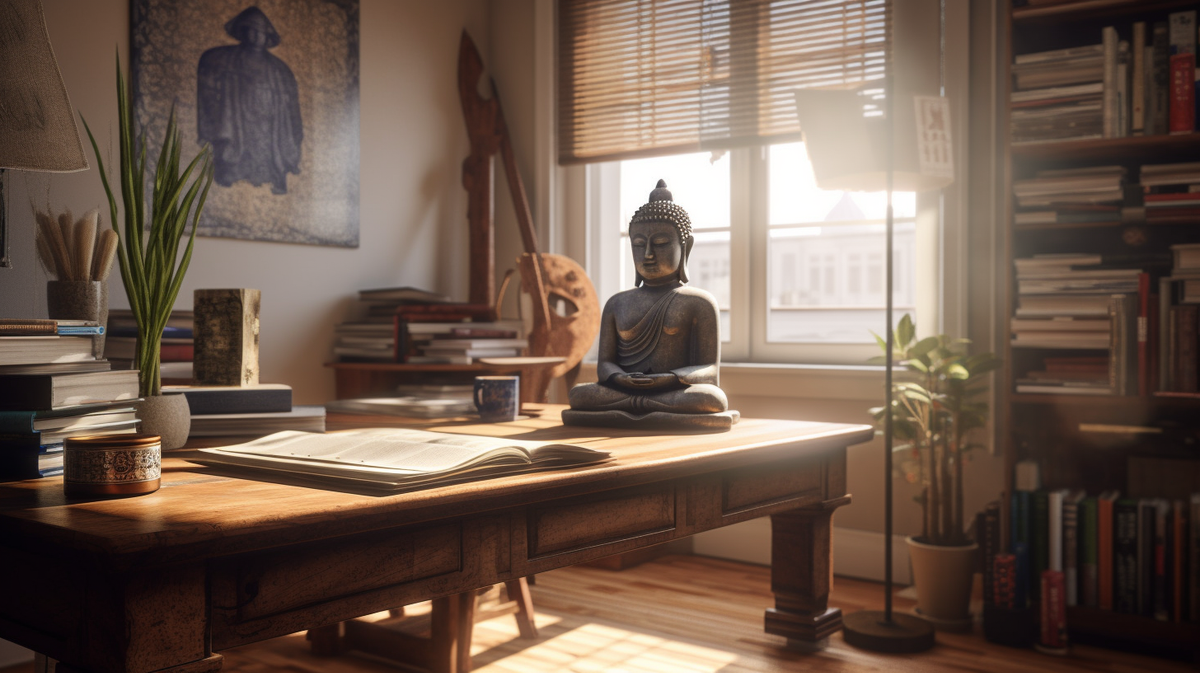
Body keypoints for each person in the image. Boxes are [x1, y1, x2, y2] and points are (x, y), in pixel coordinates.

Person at [567, 180, 728, 416]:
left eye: (661, 243)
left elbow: (710, 370)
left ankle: (636, 408)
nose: (648, 254)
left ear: (686, 248)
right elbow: (604, 365)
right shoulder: (617, 303)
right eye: (639, 245)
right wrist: (620, 377)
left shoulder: (698, 302)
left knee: (711, 399)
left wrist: (669, 378)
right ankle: (646, 407)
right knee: (579, 394)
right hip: (625, 390)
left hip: (672, 390)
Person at [197, 6, 302, 195]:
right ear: (242, 32)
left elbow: (291, 104)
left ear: (267, 35)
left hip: (269, 121)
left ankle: (269, 179)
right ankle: (230, 183)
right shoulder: (223, 59)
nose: (254, 35)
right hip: (238, 119)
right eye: (250, 30)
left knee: (266, 155)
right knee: (235, 155)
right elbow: (209, 93)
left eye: (259, 31)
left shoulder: (279, 69)